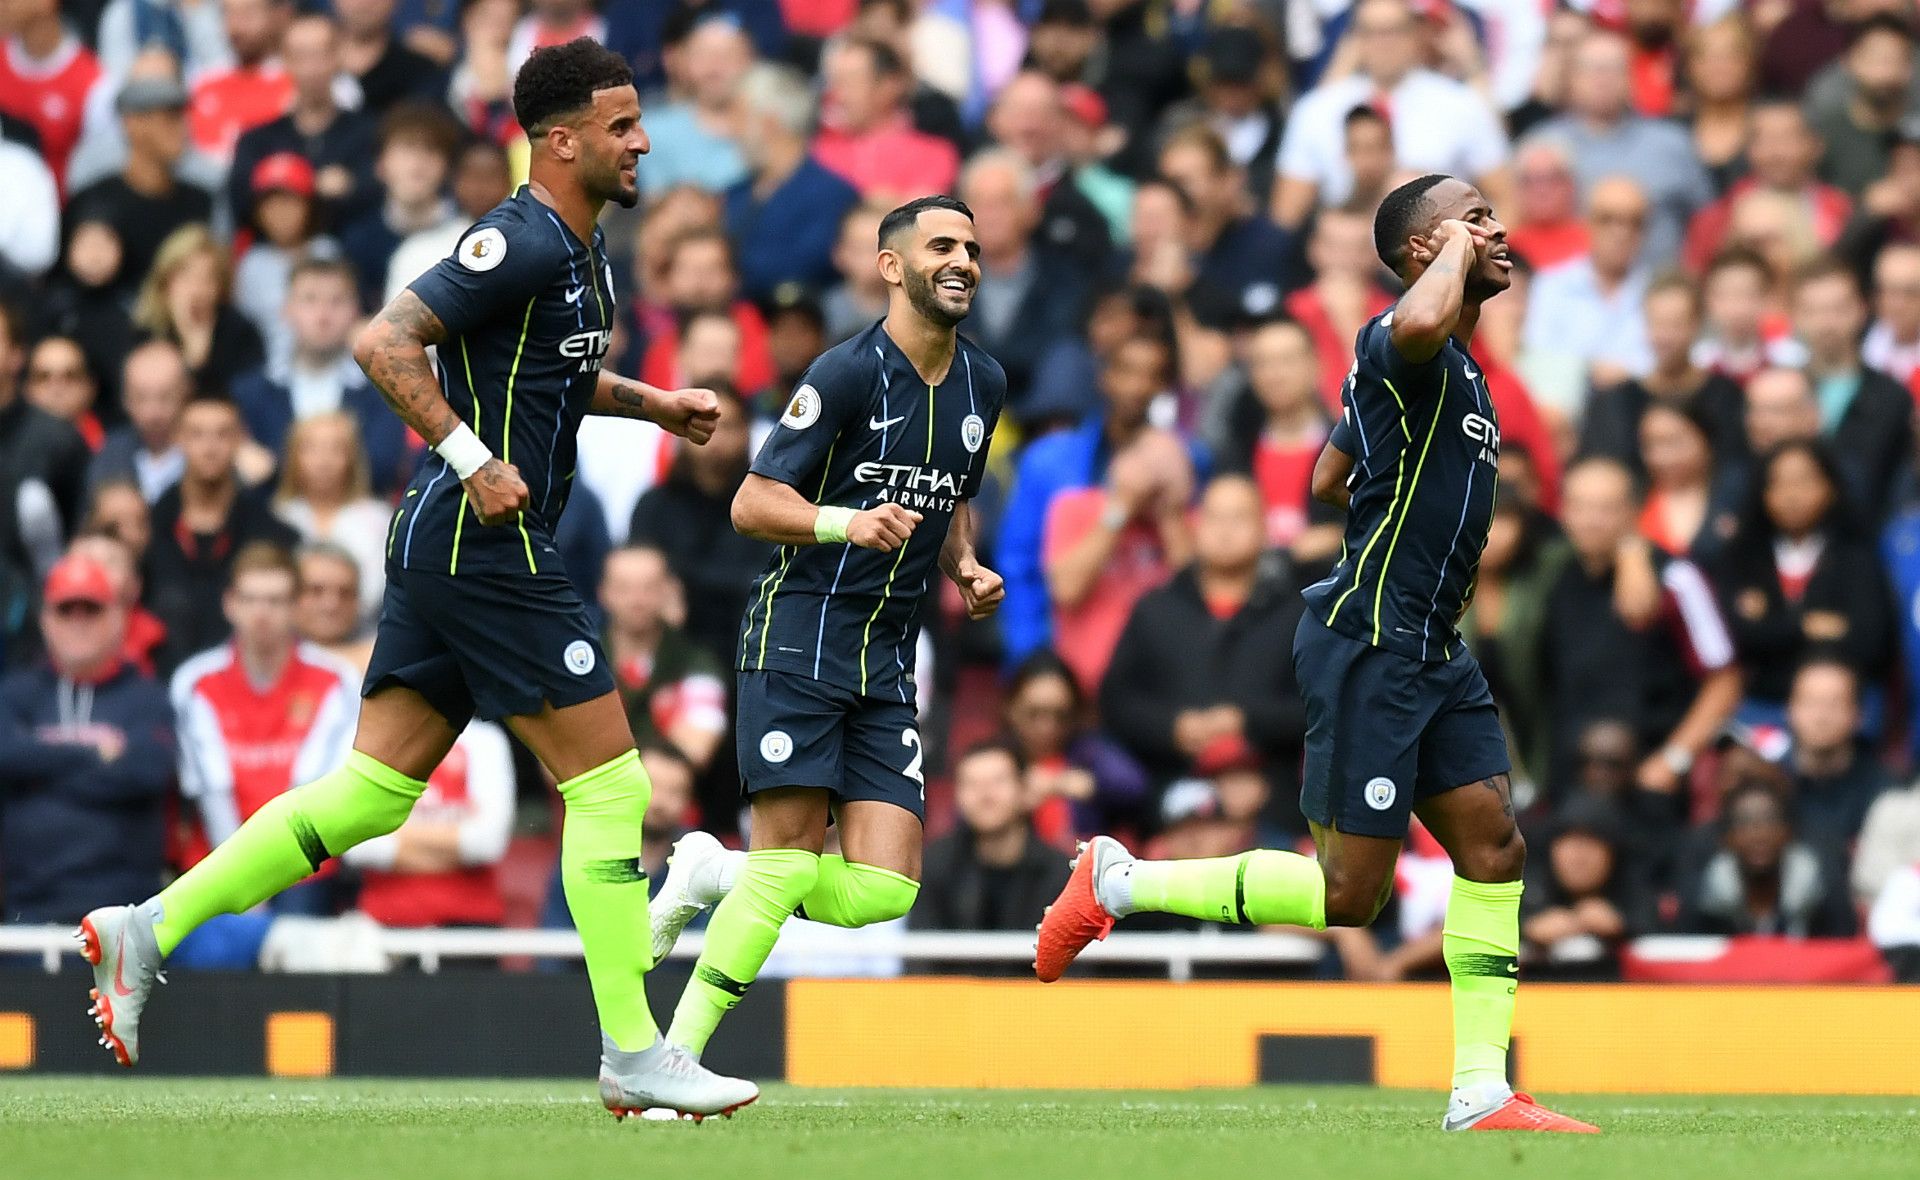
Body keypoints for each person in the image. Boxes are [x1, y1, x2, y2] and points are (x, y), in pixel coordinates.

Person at [75, 40, 757, 1119]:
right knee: (612, 787)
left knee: (373, 790)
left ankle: (147, 928)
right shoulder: (518, 238)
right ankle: (634, 1049)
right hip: (484, 541)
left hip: (456, 542)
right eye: (622, 126)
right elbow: (384, 342)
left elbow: (554, 372)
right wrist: (474, 459)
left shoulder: (583, 245)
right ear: (560, 140)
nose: (641, 142)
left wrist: (654, 404)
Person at [1036, 175, 1598, 1133]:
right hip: (1371, 642)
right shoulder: (1398, 338)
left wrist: (1387, 473)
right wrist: (1444, 268)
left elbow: (1331, 475)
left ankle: (1481, 1091)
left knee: (1494, 847)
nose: (1498, 229)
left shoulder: (1453, 371)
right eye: (1475, 219)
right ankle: (1119, 882)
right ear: (1425, 250)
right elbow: (1405, 336)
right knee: (1349, 895)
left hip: (1433, 647)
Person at [645, 195, 1007, 1072]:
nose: (962, 261)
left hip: (887, 659)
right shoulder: (844, 373)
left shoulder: (984, 382)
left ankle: (710, 872)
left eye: (971, 248)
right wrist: (848, 522)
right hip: (800, 641)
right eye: (941, 246)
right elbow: (750, 502)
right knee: (787, 861)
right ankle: (672, 1059)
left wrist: (963, 562)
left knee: (884, 888)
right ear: (891, 267)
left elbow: (948, 493)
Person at [1098, 475, 1309, 827]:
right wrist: (1173, 728)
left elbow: (1320, 708)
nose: (1225, 531)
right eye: (1214, 517)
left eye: (1239, 518)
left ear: (1264, 529)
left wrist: (1246, 722)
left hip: (1274, 801)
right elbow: (1116, 701)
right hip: (1167, 803)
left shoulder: (1299, 614)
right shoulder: (1156, 609)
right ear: (1196, 525)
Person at [1541, 457, 1742, 799]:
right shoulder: (1554, 574)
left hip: (1649, 781)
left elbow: (1724, 680)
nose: (1591, 520)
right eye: (1579, 506)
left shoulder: (1677, 577)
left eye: (1606, 508)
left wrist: (1673, 760)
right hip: (1569, 781)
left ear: (1634, 510)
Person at [170, 544, 359, 907]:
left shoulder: (336, 680)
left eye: (275, 600)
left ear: (296, 606)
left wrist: (266, 880)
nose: (262, 613)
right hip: (219, 859)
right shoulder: (195, 682)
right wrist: (244, 883)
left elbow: (312, 791)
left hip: (304, 863)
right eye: (251, 599)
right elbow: (212, 793)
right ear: (229, 603)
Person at [0, 554, 174, 925]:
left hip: (126, 912)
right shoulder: (16, 693)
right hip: (30, 907)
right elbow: (7, 755)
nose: (78, 622)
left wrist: (38, 770)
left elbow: (146, 772)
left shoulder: (147, 698)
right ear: (45, 620)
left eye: (91, 609)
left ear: (118, 617)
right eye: (65, 610)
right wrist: (96, 753)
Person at [1270, 0, 1510, 231]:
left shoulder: (1462, 105)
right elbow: (1286, 216)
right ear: (1355, 39)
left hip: (1438, 247)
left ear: (1416, 34)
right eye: (1371, 32)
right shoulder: (1317, 110)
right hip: (1344, 249)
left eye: (1394, 31)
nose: (1383, 43)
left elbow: (1506, 199)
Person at [1714, 440, 1895, 722]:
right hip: (1762, 703)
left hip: (1843, 707)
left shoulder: (1856, 556)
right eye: (1778, 483)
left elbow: (1869, 641)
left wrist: (1771, 627)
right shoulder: (1742, 556)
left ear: (1830, 487)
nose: (1791, 495)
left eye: (1804, 481)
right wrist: (1805, 626)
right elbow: (1735, 637)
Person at [1521, 28, 1712, 266]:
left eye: (1613, 69)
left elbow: (1707, 223)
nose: (1602, 79)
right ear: (1571, 78)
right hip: (1568, 284)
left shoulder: (1672, 144)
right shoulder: (1540, 146)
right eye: (1591, 69)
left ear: (1631, 77)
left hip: (1662, 282)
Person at [144, 395, 299, 673]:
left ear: (240, 440)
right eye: (197, 434)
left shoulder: (272, 533)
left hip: (251, 679)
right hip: (159, 678)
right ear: (178, 439)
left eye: (222, 434)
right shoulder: (148, 527)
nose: (210, 447)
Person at [232, 257, 408, 494]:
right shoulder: (249, 392)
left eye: (337, 302)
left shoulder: (382, 389)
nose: (323, 316)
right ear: (287, 309)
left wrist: (274, 468)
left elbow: (384, 466)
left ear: (356, 311)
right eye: (309, 300)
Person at [626, 384, 771, 662]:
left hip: (748, 645)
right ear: (680, 430)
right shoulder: (655, 505)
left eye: (727, 426)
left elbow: (766, 583)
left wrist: (685, 581)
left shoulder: (766, 506)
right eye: (704, 426)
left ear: (747, 431)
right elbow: (637, 571)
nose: (715, 439)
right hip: (670, 651)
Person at [343, 718, 516, 929]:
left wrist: (390, 833)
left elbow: (487, 844)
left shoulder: (485, 739)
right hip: (385, 926)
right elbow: (355, 845)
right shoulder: (364, 736)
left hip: (470, 926)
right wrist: (456, 843)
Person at [1579, 274, 1746, 472]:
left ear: (1698, 324)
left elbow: (1735, 467)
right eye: (1656, 323)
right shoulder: (1616, 401)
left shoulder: (1725, 396)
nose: (1664, 336)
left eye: (1676, 324)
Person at [228, 13, 378, 232]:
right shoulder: (257, 140)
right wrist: (313, 186)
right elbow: (241, 204)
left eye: (321, 54)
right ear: (284, 60)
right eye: (300, 56)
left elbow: (376, 195)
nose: (312, 68)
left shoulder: (368, 132)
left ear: (339, 56)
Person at [725, 63, 860, 300]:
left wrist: (726, 272)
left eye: (739, 117)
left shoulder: (831, 194)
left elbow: (804, 267)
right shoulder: (735, 193)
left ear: (769, 123)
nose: (731, 130)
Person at [65, 74, 214, 289]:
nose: (183, 130)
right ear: (132, 123)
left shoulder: (199, 202)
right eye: (170, 119)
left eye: (182, 118)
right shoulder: (93, 202)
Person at [915, 742, 1073, 934]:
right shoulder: (935, 864)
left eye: (998, 781)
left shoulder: (1060, 873)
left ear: (1024, 790)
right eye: (971, 784)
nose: (985, 795)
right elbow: (923, 945)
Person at [597, 545, 728, 774]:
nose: (636, 600)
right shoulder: (582, 661)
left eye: (648, 588)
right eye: (623, 589)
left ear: (668, 590)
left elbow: (696, 749)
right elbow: (555, 760)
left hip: (669, 791)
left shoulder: (696, 662)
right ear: (603, 592)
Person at [1001, 649, 1150, 846]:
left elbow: (1133, 785)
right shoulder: (998, 758)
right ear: (1010, 708)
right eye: (1034, 713)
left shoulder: (1086, 751)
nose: (1047, 727)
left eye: (1060, 715)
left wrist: (1064, 783)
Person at [1521, 176, 1655, 388]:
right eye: (1607, 219)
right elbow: (1538, 360)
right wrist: (1591, 371)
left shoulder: (1657, 292)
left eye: (1634, 222)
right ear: (1587, 222)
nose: (1621, 232)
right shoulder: (1552, 286)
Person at [1678, 779, 1857, 937]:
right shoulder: (1704, 902)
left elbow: (1843, 949)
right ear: (1726, 839)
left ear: (1788, 832)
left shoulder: (1822, 893)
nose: (1759, 835)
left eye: (1770, 819)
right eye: (1744, 822)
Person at [272, 411, 395, 625]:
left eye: (336, 449)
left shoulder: (379, 519)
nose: (323, 461)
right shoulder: (277, 517)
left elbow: (378, 592)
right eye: (311, 449)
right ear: (293, 457)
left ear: (353, 458)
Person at [811, 38, 960, 201]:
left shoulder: (933, 155)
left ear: (888, 86)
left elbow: (916, 212)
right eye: (834, 83)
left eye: (849, 83)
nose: (836, 96)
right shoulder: (817, 152)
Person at [132, 224, 265, 399]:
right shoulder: (143, 334)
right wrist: (190, 359)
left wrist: (200, 362)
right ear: (165, 281)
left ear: (220, 288)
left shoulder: (240, 333)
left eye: (207, 279)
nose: (196, 289)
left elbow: (245, 399)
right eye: (186, 276)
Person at [90, 341, 189, 504]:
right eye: (141, 398)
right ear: (125, 399)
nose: (153, 413)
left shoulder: (205, 452)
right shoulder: (110, 455)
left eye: (165, 397)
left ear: (186, 394)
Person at [294, 541, 375, 673]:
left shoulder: (381, 655)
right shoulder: (266, 653)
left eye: (345, 593)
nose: (331, 605)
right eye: (316, 591)